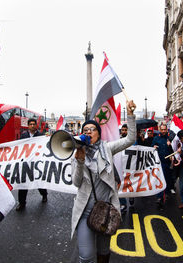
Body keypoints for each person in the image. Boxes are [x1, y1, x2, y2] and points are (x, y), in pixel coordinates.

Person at [71, 100, 136, 263]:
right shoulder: (78, 152)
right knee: (85, 257)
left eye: (92, 129)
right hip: (85, 211)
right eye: (85, 129)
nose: (89, 131)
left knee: (103, 251)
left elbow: (130, 139)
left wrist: (130, 115)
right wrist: (79, 162)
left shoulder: (107, 148)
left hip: (105, 211)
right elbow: (77, 183)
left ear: (99, 133)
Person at [16, 118, 48, 211]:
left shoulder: (41, 136)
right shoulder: (23, 136)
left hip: (37, 162)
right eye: (31, 124)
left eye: (34, 124)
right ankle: (22, 203)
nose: (32, 126)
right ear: (28, 126)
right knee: (23, 183)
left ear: (36, 126)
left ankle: (44, 194)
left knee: (38, 181)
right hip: (26, 162)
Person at [151, 123, 175, 206]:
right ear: (159, 129)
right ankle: (159, 196)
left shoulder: (169, 139)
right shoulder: (156, 138)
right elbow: (151, 148)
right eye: (162, 129)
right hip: (159, 163)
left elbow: (173, 151)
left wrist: (170, 146)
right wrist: (153, 147)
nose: (164, 131)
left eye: (165, 129)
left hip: (167, 163)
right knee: (160, 179)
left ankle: (166, 193)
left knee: (167, 179)